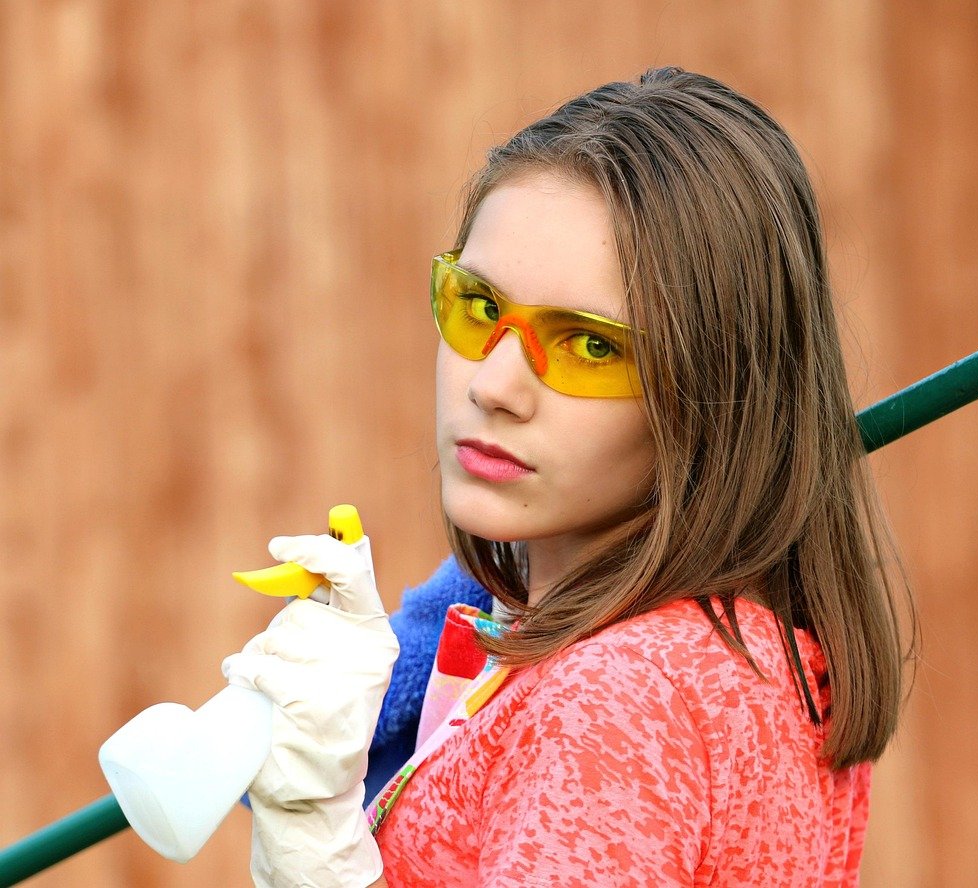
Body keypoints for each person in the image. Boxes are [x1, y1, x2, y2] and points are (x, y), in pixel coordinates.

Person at [222, 66, 914, 887]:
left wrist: (315, 853)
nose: (493, 385)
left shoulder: (620, 704)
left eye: (590, 345)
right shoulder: (745, 654)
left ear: (715, 393)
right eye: (480, 307)